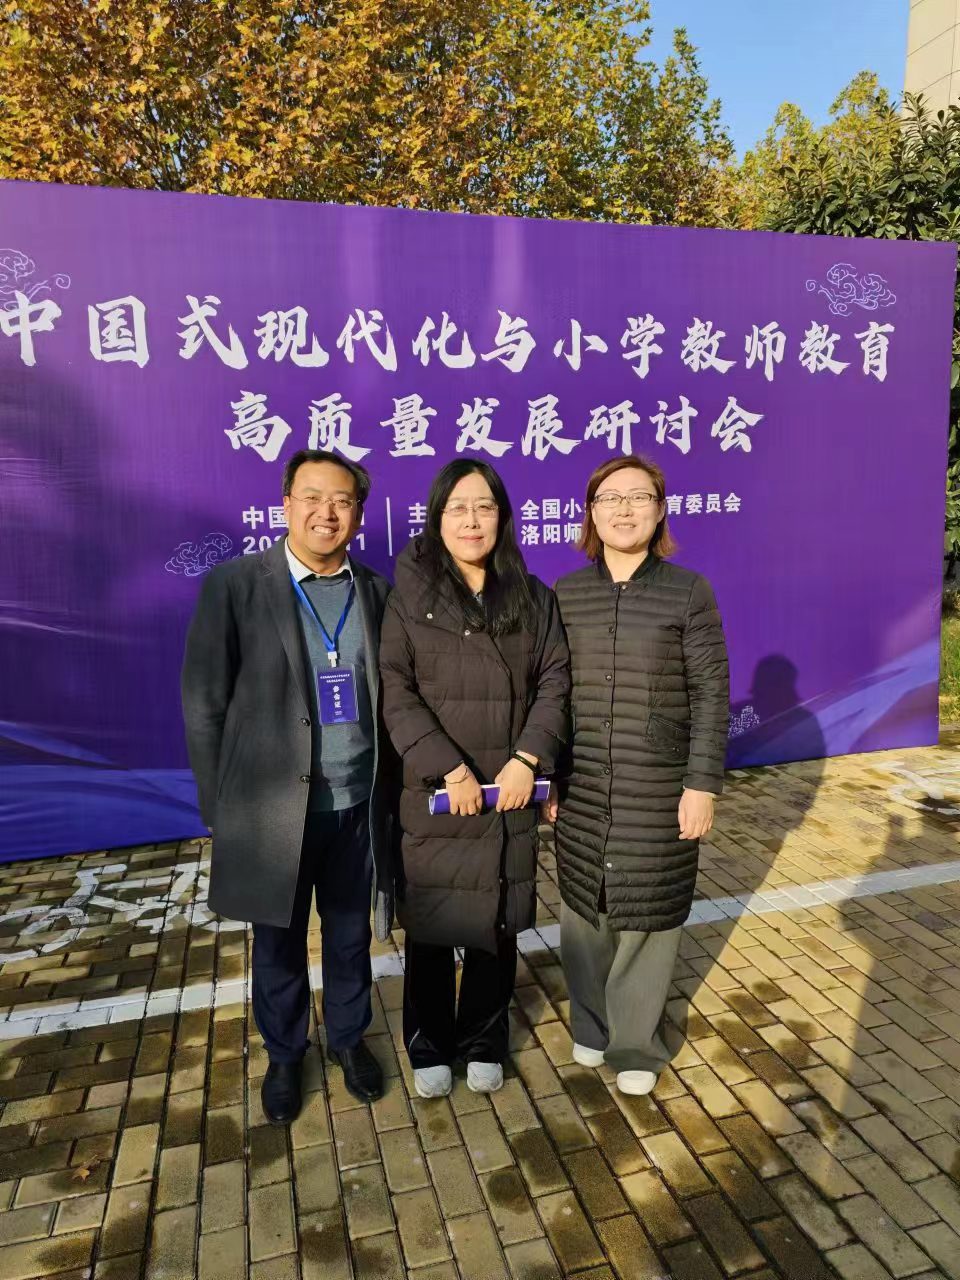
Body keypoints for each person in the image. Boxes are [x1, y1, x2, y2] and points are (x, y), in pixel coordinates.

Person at [181, 449, 398, 1123]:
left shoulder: (376, 591)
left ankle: (348, 1039)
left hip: (356, 803)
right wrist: (220, 805)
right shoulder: (236, 585)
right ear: (285, 504)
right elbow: (204, 701)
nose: (326, 513)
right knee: (276, 941)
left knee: (349, 936)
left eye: (342, 501)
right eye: (312, 497)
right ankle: (283, 1053)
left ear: (358, 514)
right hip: (272, 808)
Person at [379, 460, 569, 1098]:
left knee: (498, 920)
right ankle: (429, 1042)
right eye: (457, 508)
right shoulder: (408, 597)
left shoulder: (532, 596)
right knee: (432, 926)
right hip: (440, 791)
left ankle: (484, 1038)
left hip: (508, 788)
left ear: (502, 517)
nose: (471, 520)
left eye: (484, 507)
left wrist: (529, 759)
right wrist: (450, 767)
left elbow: (555, 682)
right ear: (437, 519)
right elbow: (396, 692)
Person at [547, 454, 728, 1096]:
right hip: (583, 780)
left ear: (660, 510)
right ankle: (590, 1027)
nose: (624, 509)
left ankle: (635, 1045)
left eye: (639, 497)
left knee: (648, 914)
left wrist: (701, 784)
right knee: (584, 908)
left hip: (659, 783)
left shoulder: (688, 591)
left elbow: (710, 693)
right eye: (610, 498)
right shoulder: (567, 593)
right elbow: (552, 692)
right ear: (591, 513)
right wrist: (550, 774)